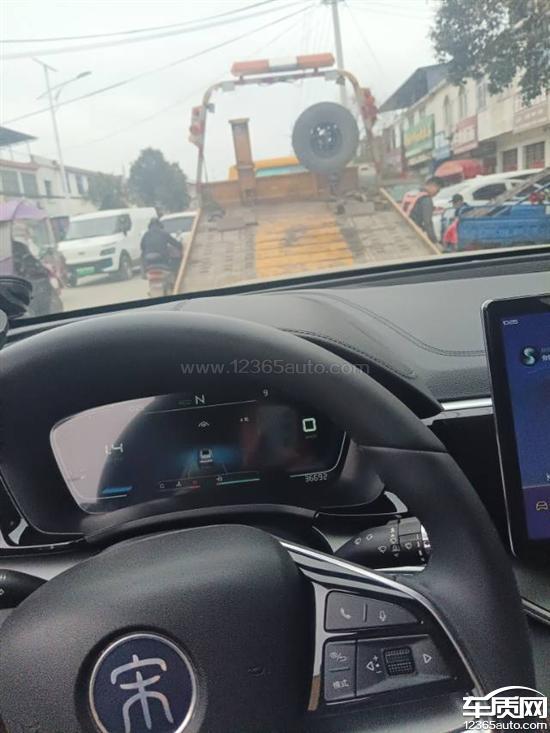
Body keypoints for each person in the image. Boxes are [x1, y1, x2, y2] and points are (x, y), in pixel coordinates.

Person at [402, 176, 443, 243]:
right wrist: (434, 241)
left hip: (402, 230)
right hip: (413, 234)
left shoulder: (412, 193)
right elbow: (428, 223)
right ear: (433, 186)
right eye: (437, 191)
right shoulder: (426, 199)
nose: (436, 194)